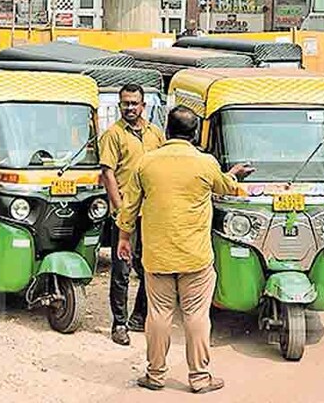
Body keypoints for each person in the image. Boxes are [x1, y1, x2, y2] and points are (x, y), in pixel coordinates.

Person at [117, 106, 254, 394]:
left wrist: (123, 238)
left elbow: (128, 207)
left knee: (158, 314)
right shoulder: (205, 163)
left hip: (157, 255)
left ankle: (155, 375)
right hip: (196, 257)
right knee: (195, 315)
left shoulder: (146, 163)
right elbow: (226, 187)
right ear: (194, 134)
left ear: (167, 131)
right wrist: (234, 174)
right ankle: (200, 378)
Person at [98, 84, 165, 346]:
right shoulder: (113, 135)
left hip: (151, 214)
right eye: (125, 103)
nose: (130, 107)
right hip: (125, 216)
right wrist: (120, 210)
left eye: (134, 103)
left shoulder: (155, 135)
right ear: (119, 106)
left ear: (143, 105)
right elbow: (108, 173)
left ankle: (139, 316)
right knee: (122, 271)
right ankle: (119, 324)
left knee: (151, 268)